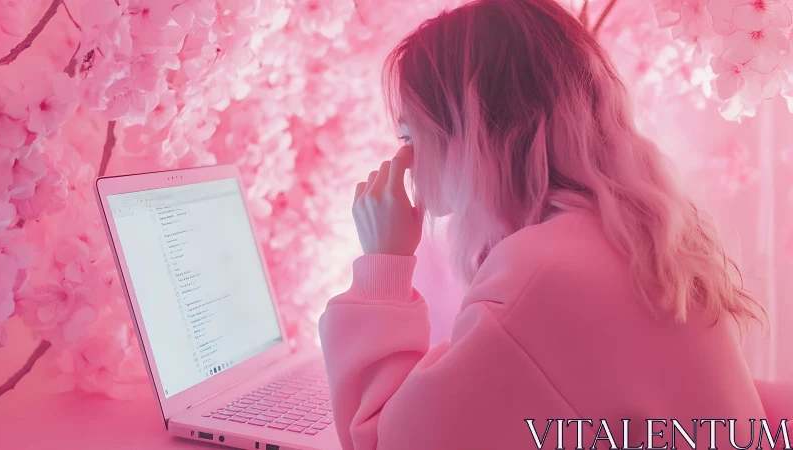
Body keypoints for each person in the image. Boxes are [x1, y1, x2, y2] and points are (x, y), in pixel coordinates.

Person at [318, 0, 772, 449]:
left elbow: (384, 443)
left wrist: (383, 267)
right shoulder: (627, 231)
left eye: (411, 135)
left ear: (472, 131)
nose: (405, 159)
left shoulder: (539, 274)